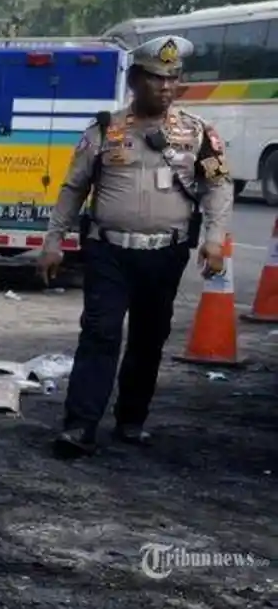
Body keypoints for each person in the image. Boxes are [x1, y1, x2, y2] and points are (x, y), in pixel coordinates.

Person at [38, 35, 234, 458]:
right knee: (100, 334)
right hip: (109, 251)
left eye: (172, 79)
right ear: (134, 81)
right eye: (155, 79)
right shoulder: (106, 128)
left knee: (149, 338)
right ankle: (80, 426)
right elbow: (74, 188)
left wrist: (215, 238)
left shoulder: (198, 134)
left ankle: (131, 420)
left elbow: (217, 186)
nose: (164, 87)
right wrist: (53, 240)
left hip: (165, 254)